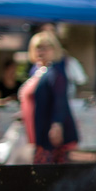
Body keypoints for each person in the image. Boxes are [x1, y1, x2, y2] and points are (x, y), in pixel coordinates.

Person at [19, 30, 79, 164]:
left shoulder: (56, 72)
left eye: (45, 48)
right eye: (38, 48)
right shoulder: (37, 70)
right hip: (36, 127)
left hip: (48, 130)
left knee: (47, 168)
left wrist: (57, 124)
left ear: (54, 49)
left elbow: (60, 99)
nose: (41, 52)